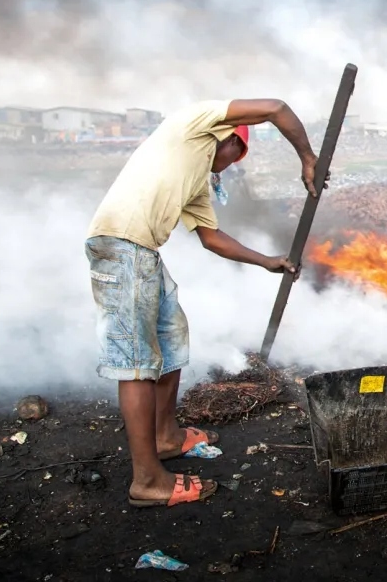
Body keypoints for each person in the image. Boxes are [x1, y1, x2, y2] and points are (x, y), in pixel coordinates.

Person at [85, 99, 319, 507]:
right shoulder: (190, 126)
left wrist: (267, 262)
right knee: (137, 365)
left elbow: (212, 238)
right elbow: (277, 108)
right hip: (121, 249)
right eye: (236, 154)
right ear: (228, 138)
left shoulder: (195, 180)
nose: (232, 165)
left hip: (145, 257)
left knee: (171, 342)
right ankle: (147, 480)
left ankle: (166, 437)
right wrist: (307, 157)